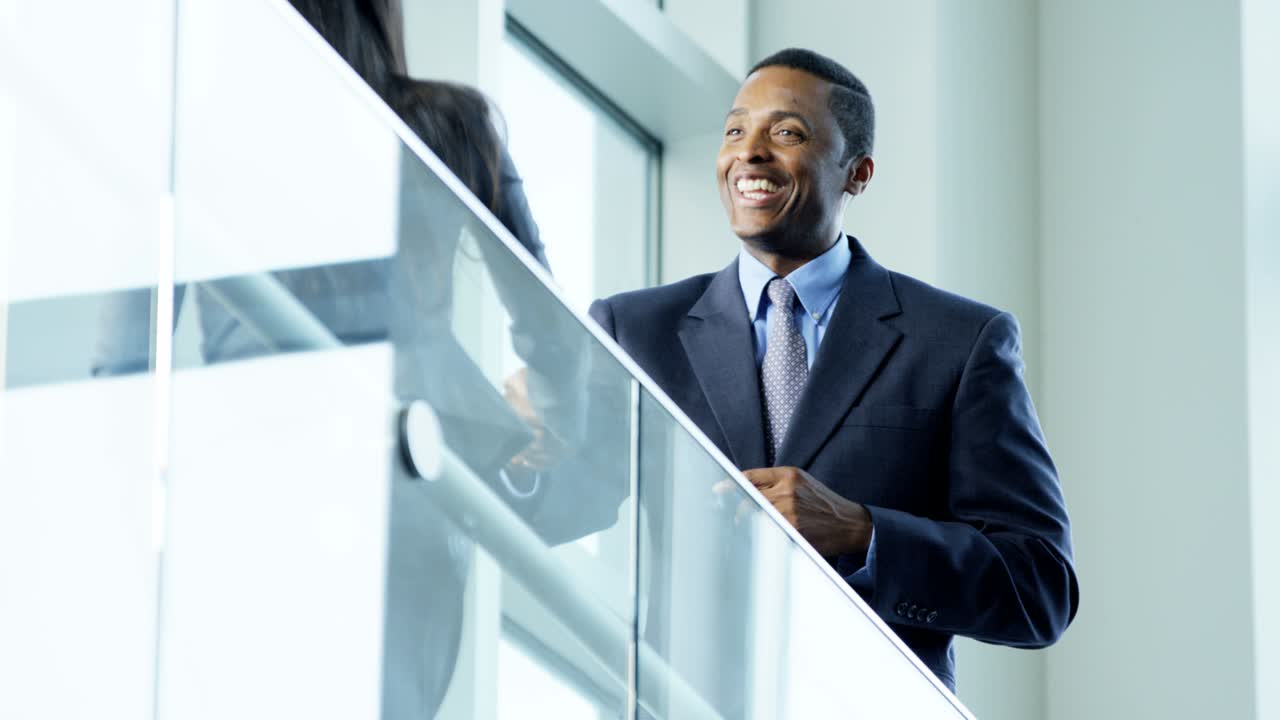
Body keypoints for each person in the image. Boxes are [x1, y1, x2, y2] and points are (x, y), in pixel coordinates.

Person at [588, 48, 1079, 692]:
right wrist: (529, 437)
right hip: (681, 702)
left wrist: (862, 531)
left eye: (786, 133)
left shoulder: (960, 342)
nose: (750, 152)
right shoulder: (634, 331)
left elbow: (1039, 587)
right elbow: (562, 503)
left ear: (858, 173)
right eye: (735, 130)